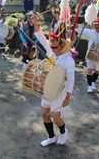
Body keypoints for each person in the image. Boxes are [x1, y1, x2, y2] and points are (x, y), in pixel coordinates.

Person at [31, 14, 75, 146]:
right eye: (52, 46)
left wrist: (68, 96)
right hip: (47, 88)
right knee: (44, 113)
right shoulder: (52, 51)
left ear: (62, 45)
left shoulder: (69, 61)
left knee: (56, 118)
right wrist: (35, 23)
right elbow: (41, 36)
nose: (52, 49)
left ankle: (63, 132)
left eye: (55, 47)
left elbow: (71, 80)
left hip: (59, 92)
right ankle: (51, 137)